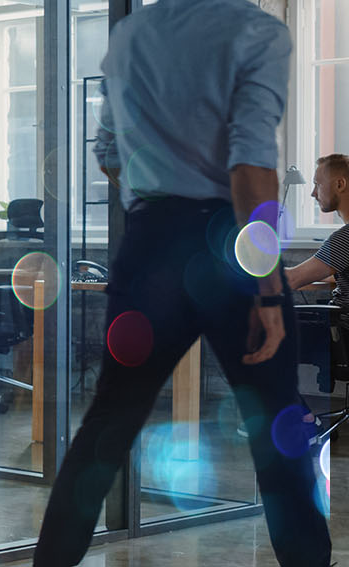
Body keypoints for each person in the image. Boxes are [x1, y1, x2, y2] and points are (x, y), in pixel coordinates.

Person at [33, 0, 332, 564]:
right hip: (231, 246)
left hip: (149, 244)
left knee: (107, 426)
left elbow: (108, 152)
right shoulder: (258, 31)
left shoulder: (130, 33)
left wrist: (158, 199)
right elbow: (250, 165)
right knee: (277, 433)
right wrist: (267, 286)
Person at [284, 154, 349, 396]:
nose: (313, 193)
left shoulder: (344, 239)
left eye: (317, 184)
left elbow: (291, 280)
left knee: (258, 337)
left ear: (340, 185)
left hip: (342, 336)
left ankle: (305, 422)